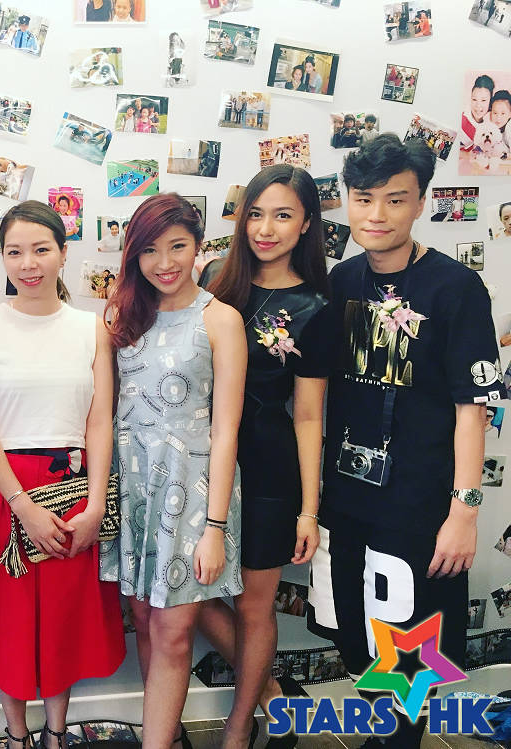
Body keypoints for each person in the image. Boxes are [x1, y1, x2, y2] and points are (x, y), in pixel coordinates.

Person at [308, 134, 505, 748]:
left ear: (420, 203)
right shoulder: (341, 281)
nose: (377, 214)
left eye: (395, 200)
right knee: (357, 635)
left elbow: (473, 409)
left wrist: (464, 514)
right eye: (364, 198)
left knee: (413, 649)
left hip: (418, 502)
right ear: (347, 200)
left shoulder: (455, 288)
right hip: (348, 498)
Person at [0, 200, 124, 749]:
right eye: (15, 251)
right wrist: (21, 505)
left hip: (73, 484)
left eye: (41, 250)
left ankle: (57, 733)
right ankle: (17, 735)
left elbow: (99, 420)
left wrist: (95, 503)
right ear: (1, 257)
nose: (28, 263)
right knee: (9, 621)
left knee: (65, 616)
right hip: (2, 489)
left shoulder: (91, 328)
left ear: (63, 254)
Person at [101, 193, 247, 749]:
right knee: (145, 622)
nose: (164, 263)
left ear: (198, 247)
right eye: (150, 250)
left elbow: (226, 429)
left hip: (193, 492)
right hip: (133, 487)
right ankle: (166, 735)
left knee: (174, 631)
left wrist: (215, 528)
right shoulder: (121, 315)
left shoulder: (220, 319)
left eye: (178, 247)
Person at [199, 165, 332, 749]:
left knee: (254, 607)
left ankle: (238, 729)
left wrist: (308, 510)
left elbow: (308, 416)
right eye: (255, 213)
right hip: (199, 463)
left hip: (271, 471)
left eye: (282, 215)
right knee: (186, 596)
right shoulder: (212, 279)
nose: (265, 228)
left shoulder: (316, 307)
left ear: (306, 224)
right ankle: (273, 695)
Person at [461, 74, 498, 152]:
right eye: (474, 99)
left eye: (483, 100)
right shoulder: (462, 119)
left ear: (490, 101)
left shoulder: (495, 121)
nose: (478, 105)